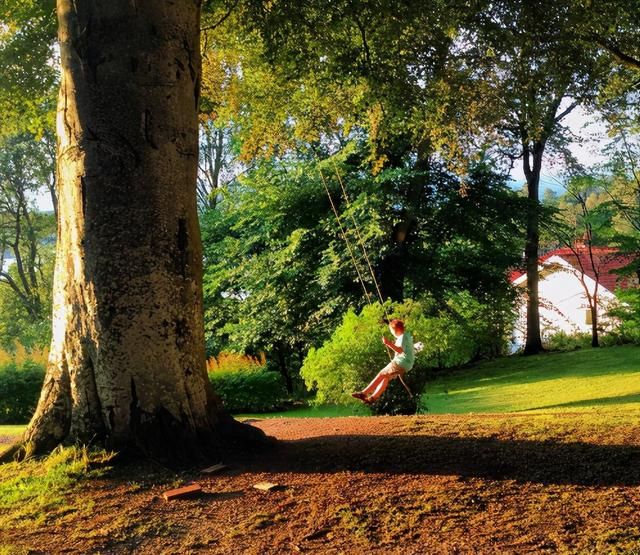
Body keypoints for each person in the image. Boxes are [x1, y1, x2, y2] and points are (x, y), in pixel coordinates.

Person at [352, 318, 415, 404]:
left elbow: (400, 350)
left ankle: (364, 393)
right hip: (407, 364)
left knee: (381, 374)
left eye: (391, 330)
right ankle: (373, 398)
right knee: (385, 377)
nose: (391, 332)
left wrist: (388, 343)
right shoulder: (407, 335)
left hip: (401, 362)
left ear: (395, 330)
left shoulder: (402, 337)